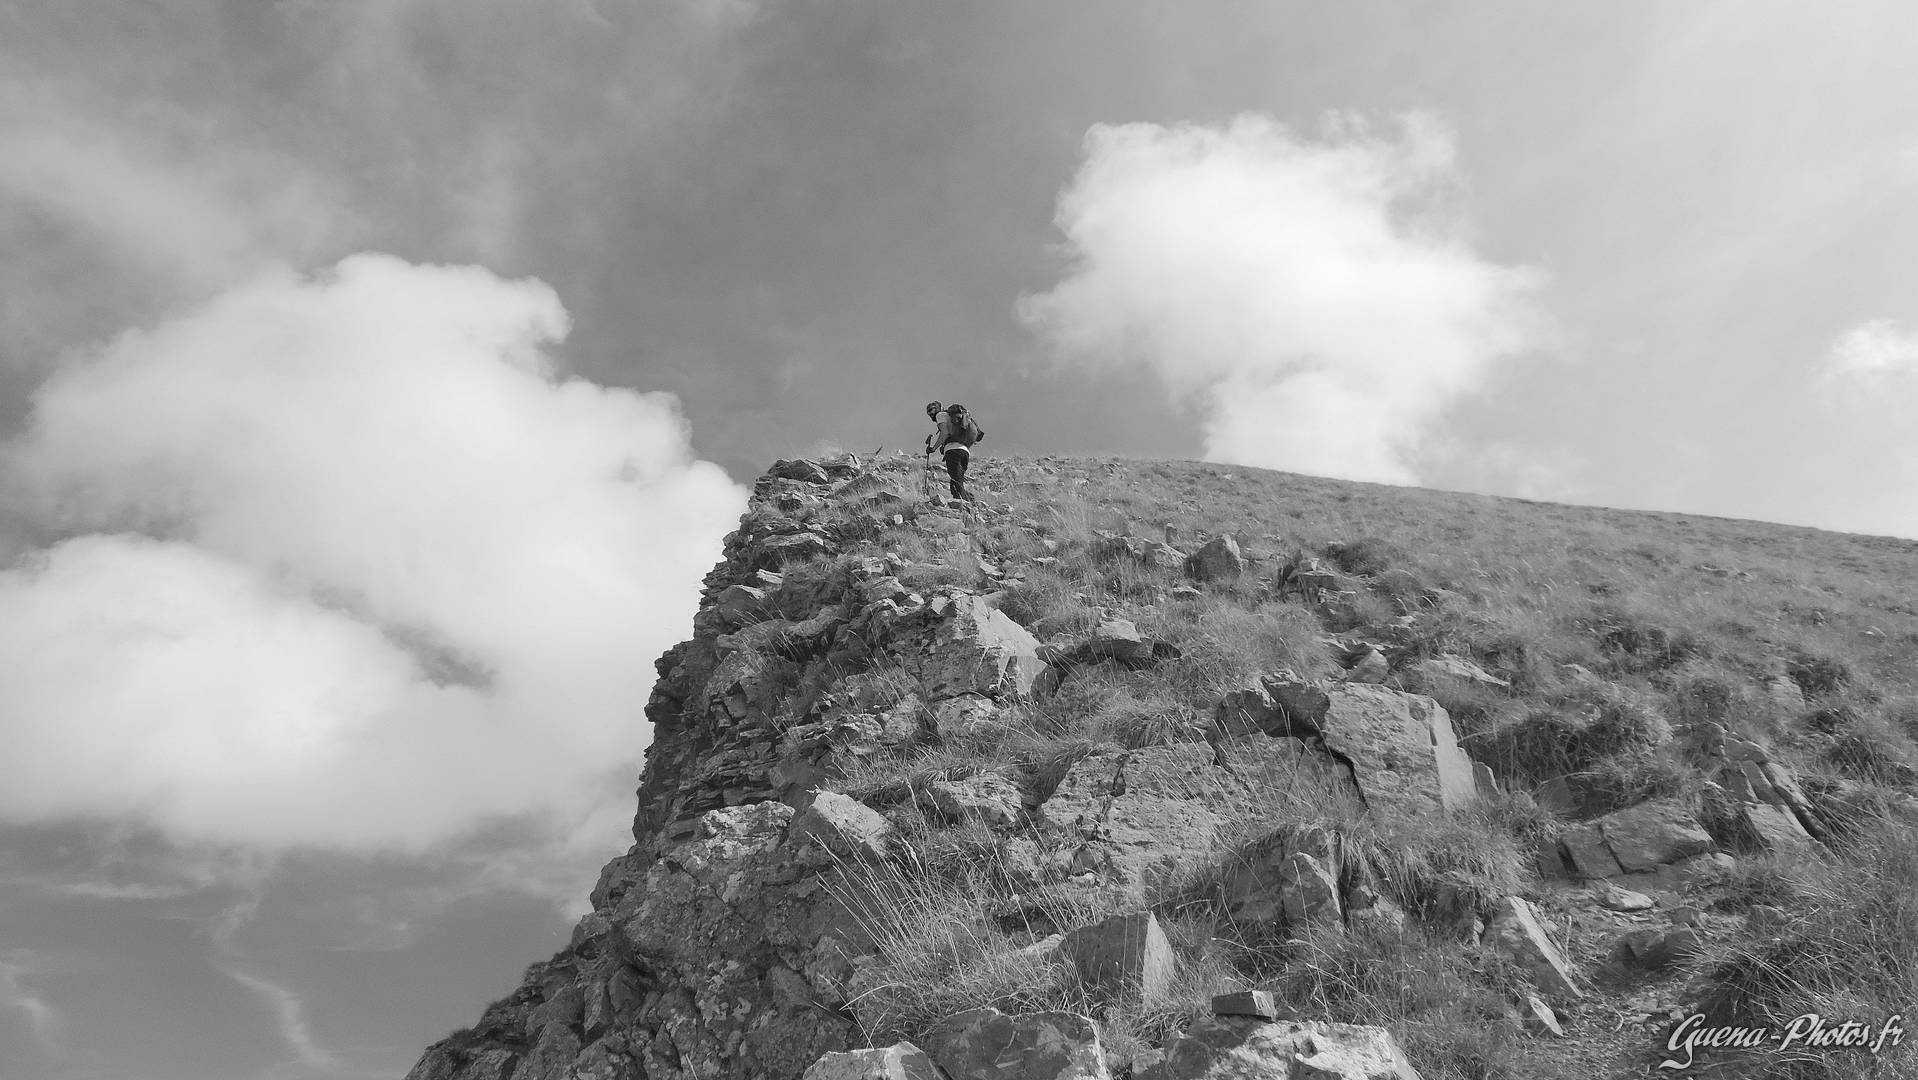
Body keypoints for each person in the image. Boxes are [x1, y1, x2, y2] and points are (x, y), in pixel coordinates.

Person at [924, 400, 984, 501]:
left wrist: (933, 448)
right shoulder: (954, 417)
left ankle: (963, 504)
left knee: (956, 481)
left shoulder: (941, 415)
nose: (930, 414)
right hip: (964, 451)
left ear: (939, 408)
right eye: (928, 412)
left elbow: (945, 433)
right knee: (957, 480)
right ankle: (966, 501)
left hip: (953, 451)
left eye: (931, 410)